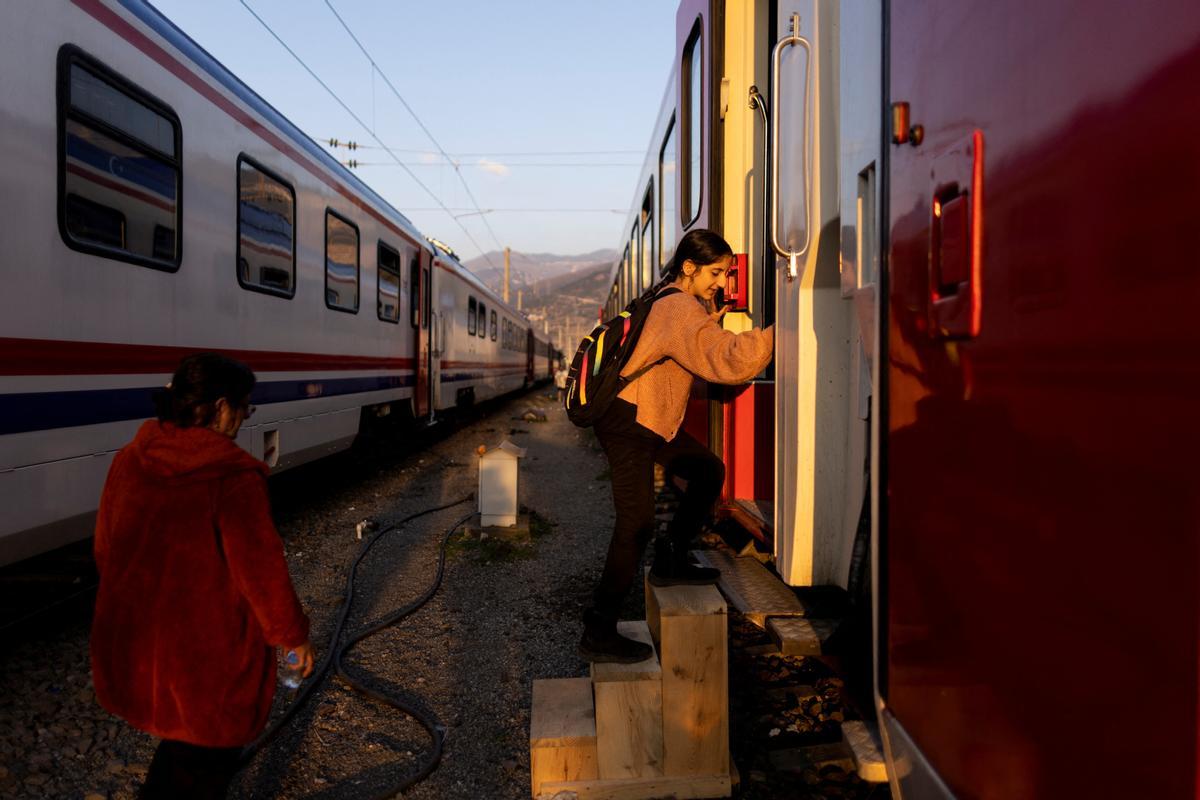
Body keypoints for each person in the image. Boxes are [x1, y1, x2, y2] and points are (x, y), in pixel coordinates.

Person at [90, 353, 314, 799]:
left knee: (179, 747)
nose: (246, 416)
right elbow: (262, 574)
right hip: (206, 658)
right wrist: (292, 637)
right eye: (245, 406)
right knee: (205, 758)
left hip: (147, 645)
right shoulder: (231, 478)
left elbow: (105, 548)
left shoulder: (130, 459)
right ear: (220, 407)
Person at [580, 229, 774, 663]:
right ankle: (598, 628)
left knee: (707, 470)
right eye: (716, 272)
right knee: (635, 525)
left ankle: (671, 557)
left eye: (726, 273)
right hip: (629, 422)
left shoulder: (670, 299)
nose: (722, 282)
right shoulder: (679, 308)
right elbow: (727, 358)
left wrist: (712, 321)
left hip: (648, 420)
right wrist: (783, 330)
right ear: (690, 268)